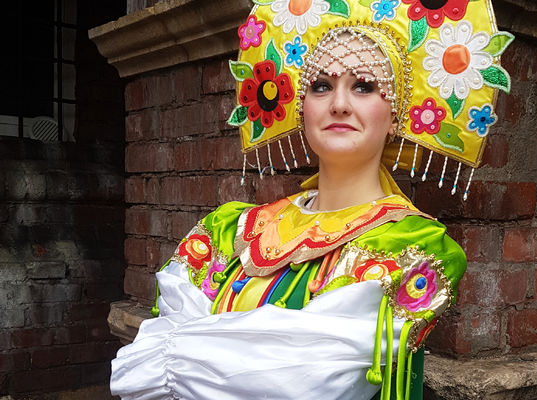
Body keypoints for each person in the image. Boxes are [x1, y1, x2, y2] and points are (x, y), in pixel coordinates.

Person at [111, 1, 512, 399]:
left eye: (364, 86)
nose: (339, 104)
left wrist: (189, 349)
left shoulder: (411, 246)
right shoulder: (229, 229)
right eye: (321, 86)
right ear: (301, 108)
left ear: (396, 115)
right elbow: (155, 348)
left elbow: (306, 383)